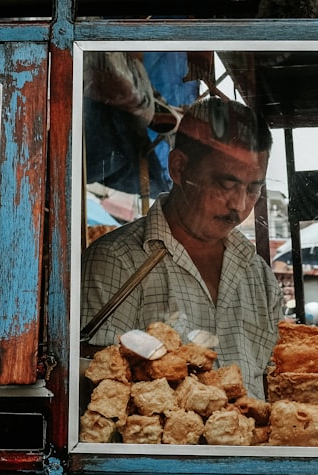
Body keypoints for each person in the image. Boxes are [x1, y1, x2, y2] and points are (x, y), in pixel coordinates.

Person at [81, 97, 282, 399]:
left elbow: (274, 378)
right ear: (179, 168)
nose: (239, 206)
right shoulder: (116, 262)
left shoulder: (258, 275)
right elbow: (99, 383)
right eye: (226, 185)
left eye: (253, 188)